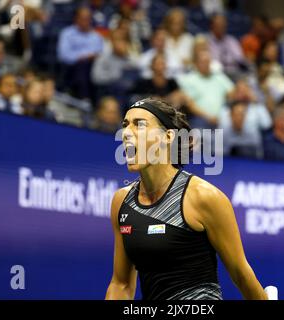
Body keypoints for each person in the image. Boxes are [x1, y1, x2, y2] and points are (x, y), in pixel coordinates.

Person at [105, 97, 267, 300]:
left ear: (168, 137)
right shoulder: (122, 202)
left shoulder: (204, 197)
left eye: (140, 125)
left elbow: (241, 275)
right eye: (125, 125)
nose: (127, 132)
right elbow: (121, 284)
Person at [57, 6, 104, 99]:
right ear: (76, 19)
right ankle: (84, 97)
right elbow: (63, 55)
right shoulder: (67, 33)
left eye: (87, 19)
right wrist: (82, 56)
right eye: (82, 18)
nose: (85, 21)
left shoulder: (96, 36)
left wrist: (90, 57)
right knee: (82, 66)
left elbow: (100, 54)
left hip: (93, 69)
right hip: (71, 68)